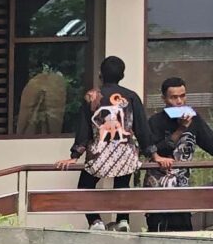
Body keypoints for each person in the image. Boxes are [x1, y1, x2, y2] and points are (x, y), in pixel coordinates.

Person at [64, 56, 150, 228]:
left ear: (100, 74)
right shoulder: (132, 97)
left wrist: (75, 155)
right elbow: (142, 128)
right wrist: (152, 153)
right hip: (125, 152)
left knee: (85, 187)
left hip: (99, 152)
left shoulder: (92, 96)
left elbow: (84, 128)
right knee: (122, 186)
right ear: (122, 75)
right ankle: (123, 220)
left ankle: (95, 221)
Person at [145, 78, 213, 232]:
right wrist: (181, 129)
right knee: (157, 231)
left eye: (183, 96)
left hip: (182, 188)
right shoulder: (155, 121)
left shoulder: (194, 120)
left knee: (184, 230)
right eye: (174, 97)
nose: (179, 101)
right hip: (158, 190)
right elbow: (154, 151)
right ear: (164, 99)